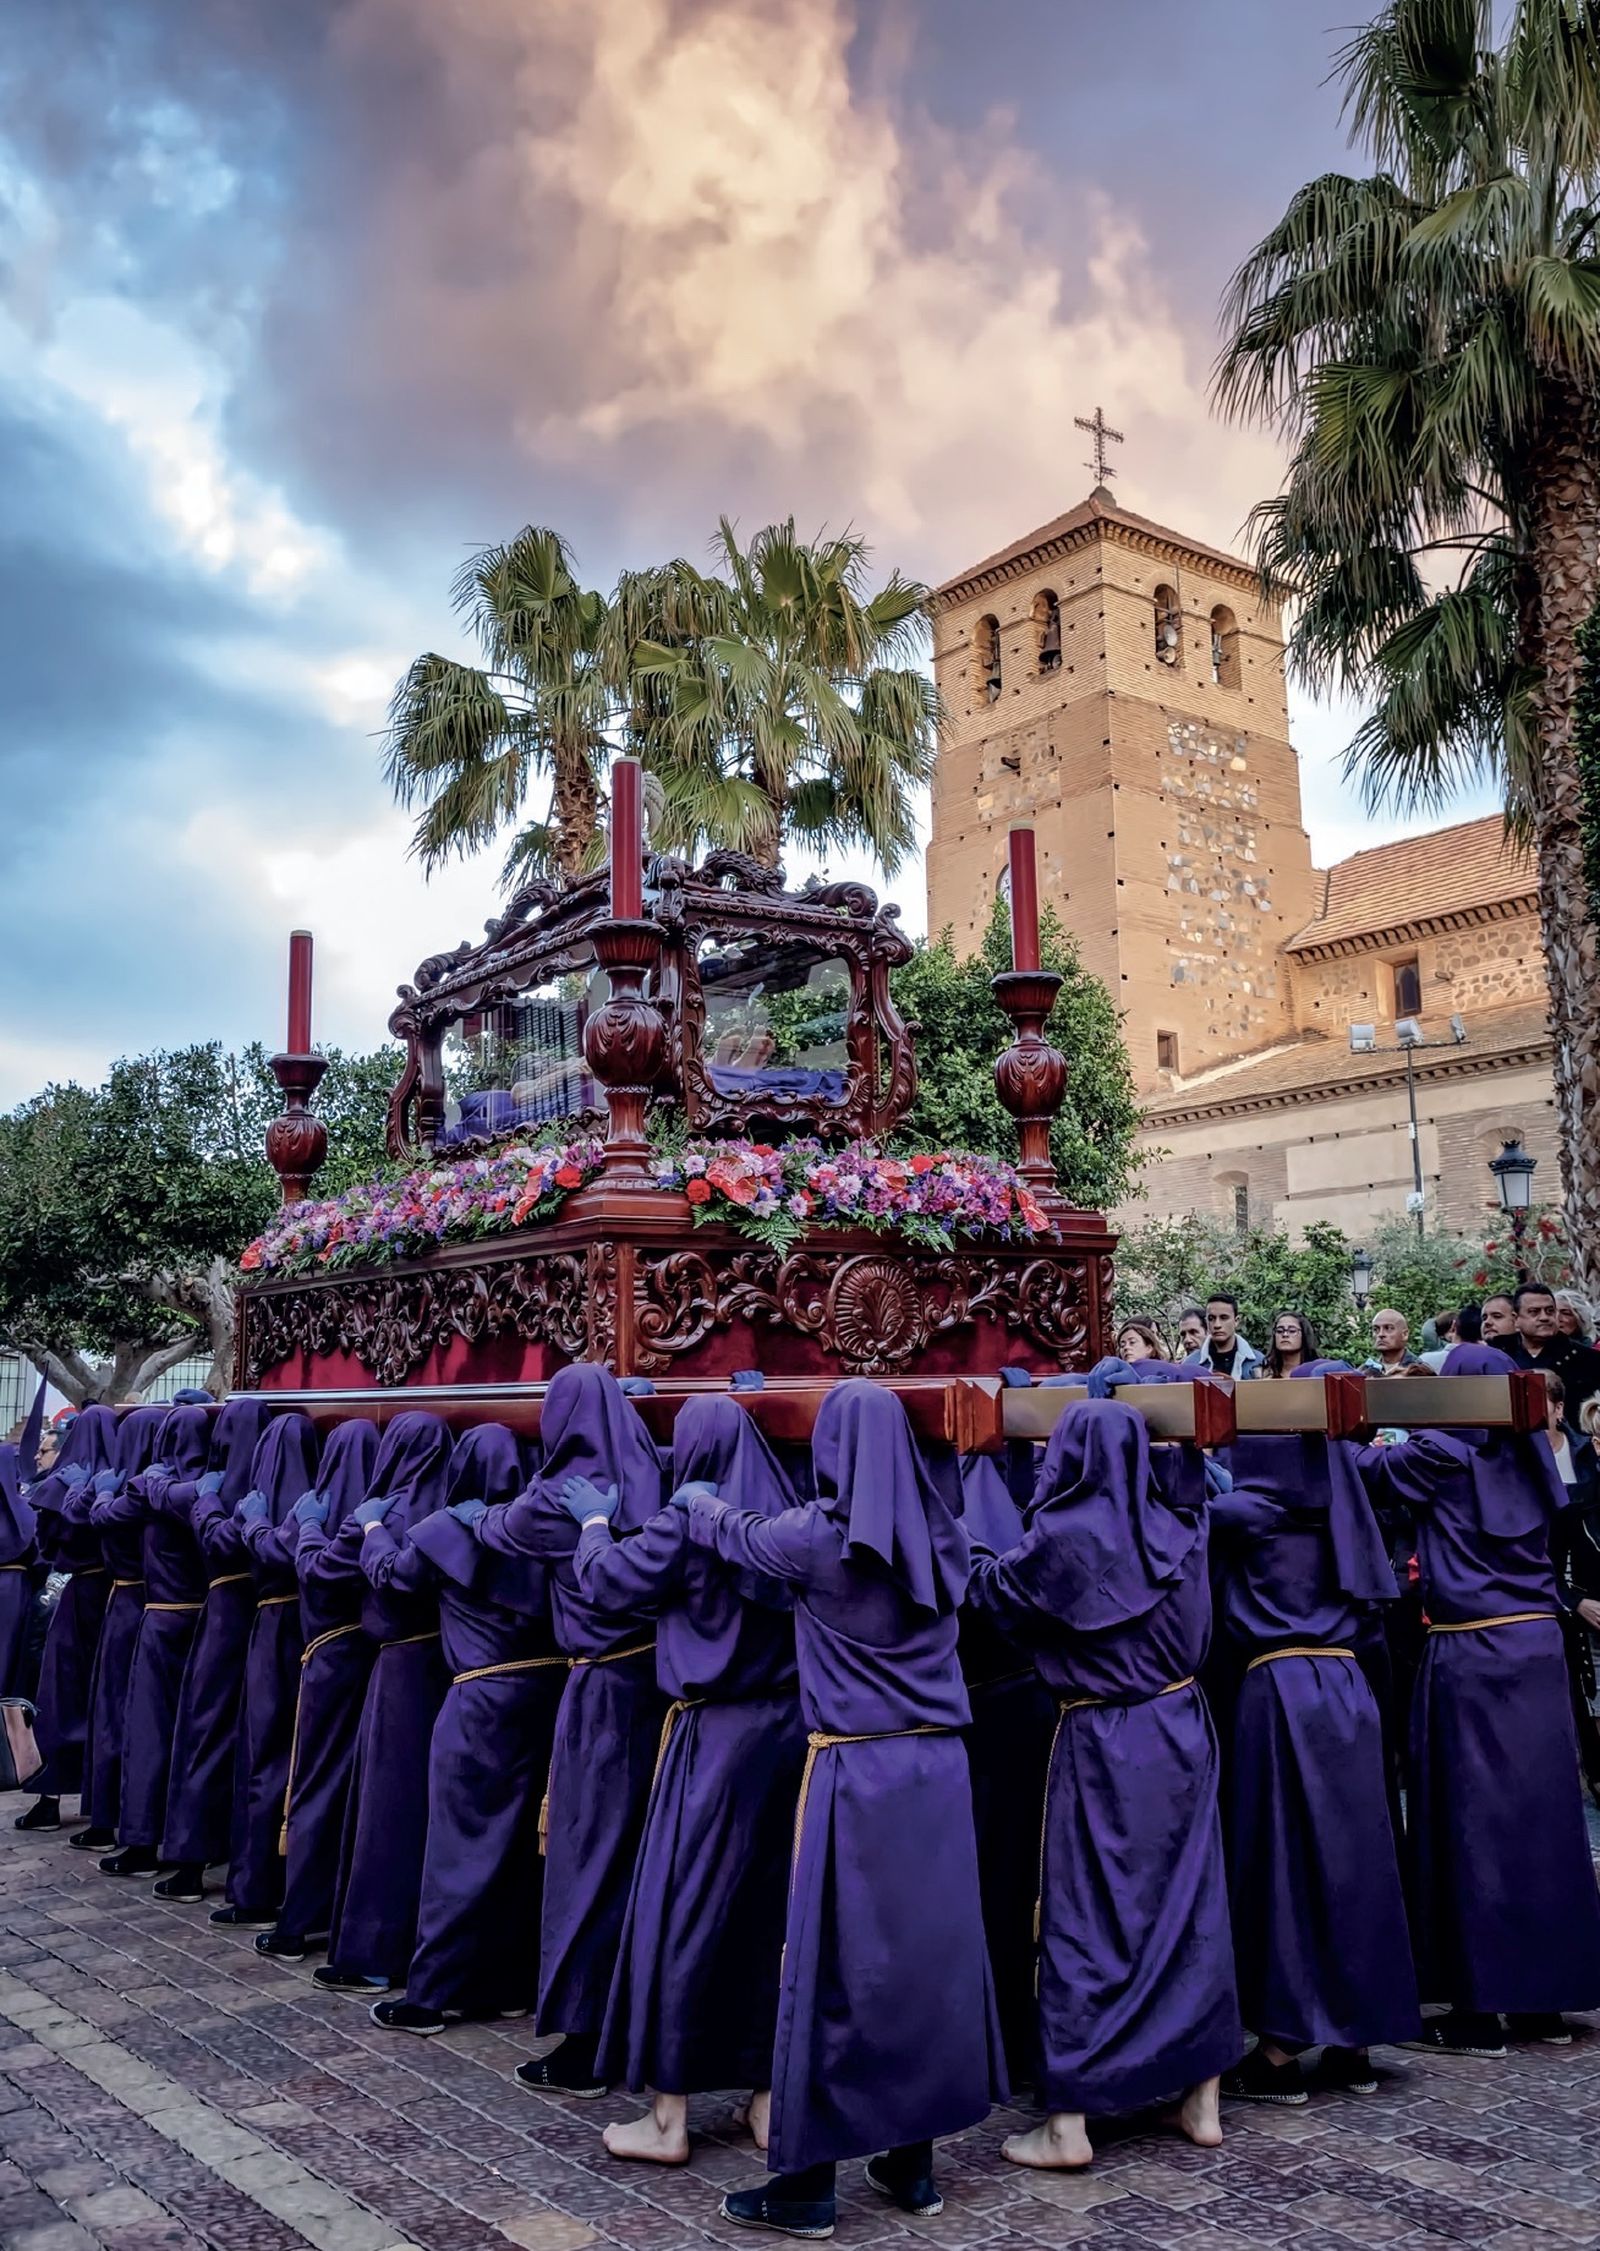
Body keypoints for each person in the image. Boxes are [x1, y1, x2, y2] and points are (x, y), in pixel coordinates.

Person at [683, 1380, 1003, 2233]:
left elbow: (737, 1534)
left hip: (856, 1776)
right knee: (922, 1971)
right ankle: (912, 2160)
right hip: (936, 1772)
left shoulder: (819, 1538)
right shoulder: (942, 1533)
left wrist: (696, 1496)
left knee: (828, 1970)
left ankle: (806, 2183)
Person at [967, 1398, 1237, 2171]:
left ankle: (1069, 2121)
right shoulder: (1184, 1522)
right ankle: (1201, 2098)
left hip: (1105, 1737)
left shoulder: (1067, 1537)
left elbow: (992, 1592)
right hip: (1181, 1725)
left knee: (1088, 1914)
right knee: (1189, 1909)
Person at [565, 1395, 806, 2165]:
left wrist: (595, 1523)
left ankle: (668, 2116)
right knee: (767, 1916)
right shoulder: (782, 1514)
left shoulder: (684, 1518)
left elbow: (607, 1581)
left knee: (683, 1909)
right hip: (787, 1730)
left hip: (716, 1738)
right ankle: (768, 2098)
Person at [1358, 1342, 1600, 2054]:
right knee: (1542, 1824)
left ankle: (1476, 2005)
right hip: (1534, 1649)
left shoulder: (1442, 1455)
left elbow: (1363, 1465)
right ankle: (1542, 2001)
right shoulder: (1530, 1452)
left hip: (1471, 1650)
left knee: (1471, 1829)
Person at [1209, 1368, 1418, 2103]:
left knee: (1284, 1865)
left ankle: (1277, 2047)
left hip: (1280, 1691)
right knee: (1356, 1859)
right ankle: (1355, 2038)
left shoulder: (1243, 1512)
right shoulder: (1343, 1510)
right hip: (1350, 1691)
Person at [472, 1363, 667, 2098]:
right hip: (655, 1684)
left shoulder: (561, 1495)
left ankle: (586, 2040)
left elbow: (499, 1527)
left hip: (602, 1694)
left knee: (588, 1858)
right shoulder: (647, 1462)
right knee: (636, 1859)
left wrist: (468, 1514)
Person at [359, 1422, 548, 2032]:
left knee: (456, 1850)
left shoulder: (450, 1527)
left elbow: (393, 1575)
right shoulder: (536, 1527)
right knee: (515, 1849)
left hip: (477, 1699)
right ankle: (507, 1981)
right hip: (539, 1693)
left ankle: (432, 1993)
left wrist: (369, 1528)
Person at [312, 1412, 458, 1995]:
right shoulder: (447, 1507)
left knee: (385, 1810)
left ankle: (374, 1950)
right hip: (442, 1669)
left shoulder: (387, 1513)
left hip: (398, 1670)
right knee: (421, 1812)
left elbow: (326, 1570)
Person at [254, 1418, 379, 1961]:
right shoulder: (384, 1509)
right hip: (372, 1663)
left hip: (331, 1660)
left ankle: (298, 1916)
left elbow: (312, 1566)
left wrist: (301, 1525)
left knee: (314, 1781)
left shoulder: (345, 1517)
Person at [156, 1398, 287, 1901]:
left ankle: (192, 1859)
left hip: (232, 1614)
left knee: (207, 1731)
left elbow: (223, 1539)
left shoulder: (230, 1484)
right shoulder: (272, 1479)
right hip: (252, 1617)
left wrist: (206, 1503)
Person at [213, 1415, 327, 1929]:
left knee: (267, 1755)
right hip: (295, 1627)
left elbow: (271, 1548)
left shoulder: (285, 1506)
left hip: (280, 1625)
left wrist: (253, 1521)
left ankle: (256, 1886)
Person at [17, 1404, 119, 1833]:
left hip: (78, 1595)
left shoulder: (67, 1484)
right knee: (106, 1699)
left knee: (59, 1695)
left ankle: (51, 1797)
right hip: (117, 1598)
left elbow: (48, 1543)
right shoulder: (119, 1481)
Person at [78, 1404, 174, 1852]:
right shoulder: (157, 1484)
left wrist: (98, 1490)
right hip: (142, 1602)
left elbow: (97, 1516)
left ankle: (120, 1820)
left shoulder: (140, 1488)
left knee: (124, 1714)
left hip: (135, 1604)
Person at [1504, 1282, 1600, 1417]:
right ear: (1515, 1319)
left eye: (1550, 1311)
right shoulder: (1499, 1355)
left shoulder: (1589, 1359)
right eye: (1534, 1312)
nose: (1544, 1317)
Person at [1185, 1297, 1262, 1380]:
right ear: (1206, 1321)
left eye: (1224, 1318)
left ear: (1236, 1321)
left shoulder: (1258, 1361)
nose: (1217, 1325)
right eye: (1211, 1319)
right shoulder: (1190, 1364)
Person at [1259, 1312, 1317, 1379]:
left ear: (1304, 1335)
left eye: (1292, 1331)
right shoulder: (1262, 1374)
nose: (1285, 1334)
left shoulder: (1317, 1371)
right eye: (1279, 1331)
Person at [1362, 1311, 1418, 1375]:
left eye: (1389, 1328)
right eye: (1376, 1329)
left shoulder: (1418, 1371)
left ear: (1405, 1334)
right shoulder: (1366, 1371)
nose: (1381, 1334)